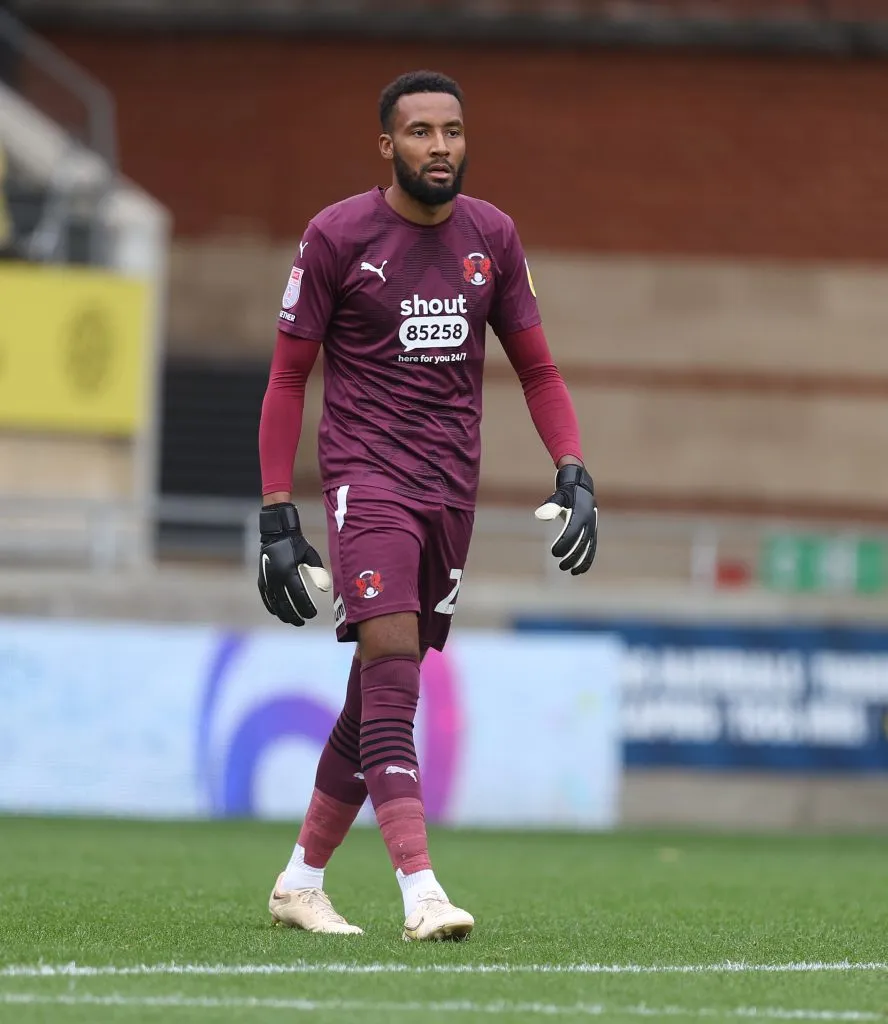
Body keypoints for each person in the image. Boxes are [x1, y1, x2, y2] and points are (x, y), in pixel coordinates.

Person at [257, 70, 598, 941]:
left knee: (377, 687)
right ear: (388, 146)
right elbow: (290, 376)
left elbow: (540, 369)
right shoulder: (336, 236)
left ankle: (300, 881)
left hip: (451, 492)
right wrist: (276, 512)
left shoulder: (494, 237)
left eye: (451, 130)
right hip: (365, 481)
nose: (439, 146)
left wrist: (573, 469)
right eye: (419, 132)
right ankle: (422, 890)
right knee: (395, 665)